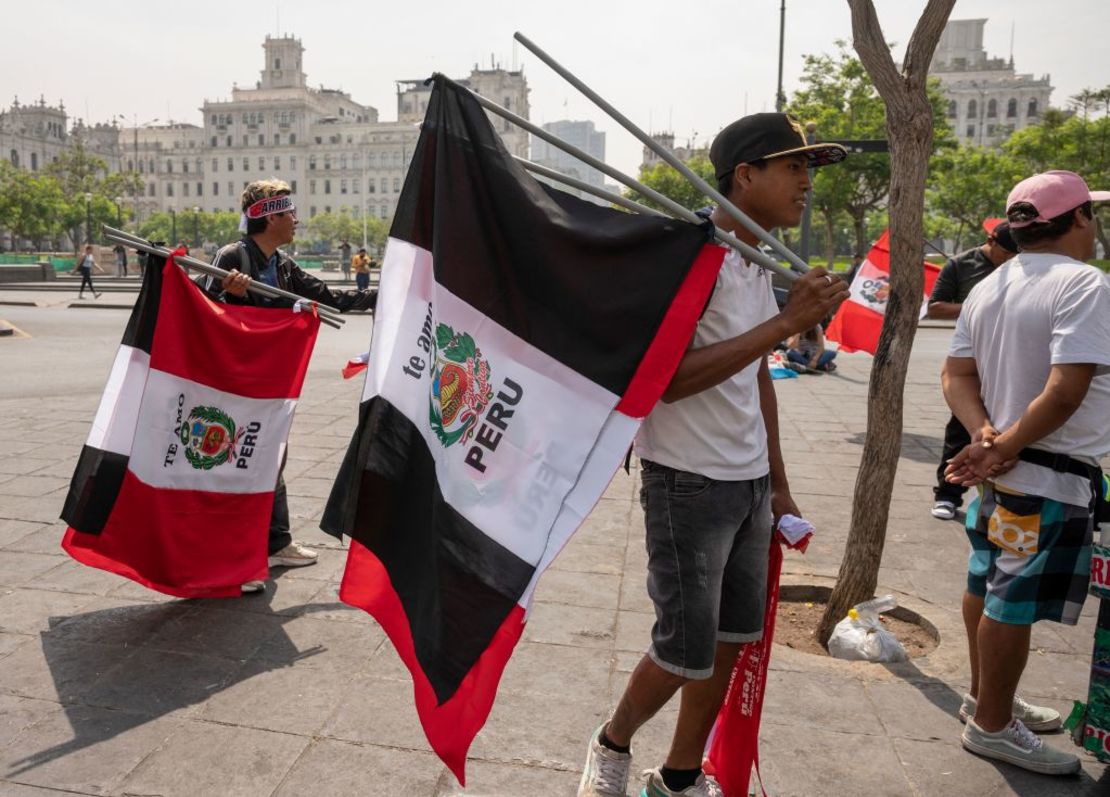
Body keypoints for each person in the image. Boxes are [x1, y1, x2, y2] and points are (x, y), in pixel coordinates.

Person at [577, 113, 849, 797]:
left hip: (749, 484)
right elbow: (665, 379)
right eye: (794, 166)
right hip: (687, 484)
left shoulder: (757, 260)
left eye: (810, 168)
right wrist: (787, 323)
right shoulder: (690, 256)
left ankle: (678, 775)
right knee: (683, 649)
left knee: (729, 641)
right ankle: (611, 742)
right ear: (745, 175)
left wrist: (778, 482)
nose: (807, 182)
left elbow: (756, 374)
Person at [942, 170, 1110, 775]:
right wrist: (1001, 443)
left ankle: (989, 699)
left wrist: (984, 433)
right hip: (1042, 476)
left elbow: (956, 376)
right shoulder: (1084, 284)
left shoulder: (990, 284)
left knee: (985, 582)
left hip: (1001, 474)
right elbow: (1065, 392)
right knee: (1009, 600)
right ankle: (992, 725)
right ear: (1080, 218)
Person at [201, 179, 378, 592]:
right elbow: (201, 312)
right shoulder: (233, 257)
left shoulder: (280, 265)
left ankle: (276, 543)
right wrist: (228, 297)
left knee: (269, 455)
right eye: (289, 214)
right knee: (238, 465)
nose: (296, 220)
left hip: (263, 384)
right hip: (228, 385)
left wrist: (387, 296)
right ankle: (232, 560)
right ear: (270, 217)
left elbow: (328, 297)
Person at [927, 220, 1019, 521]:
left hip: (1012, 356)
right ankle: (948, 494)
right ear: (991, 242)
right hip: (974, 359)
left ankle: (1004, 496)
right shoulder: (959, 265)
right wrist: (978, 303)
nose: (1010, 259)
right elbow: (936, 307)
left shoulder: (1020, 268)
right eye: (1006, 252)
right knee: (962, 429)